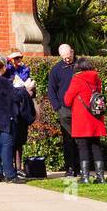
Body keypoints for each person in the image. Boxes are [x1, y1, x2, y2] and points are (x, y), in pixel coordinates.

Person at [64, 57, 107, 184]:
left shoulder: (77, 79)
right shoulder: (96, 78)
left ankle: (85, 177)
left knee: (83, 147)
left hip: (82, 119)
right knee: (96, 146)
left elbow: (67, 100)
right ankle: (100, 177)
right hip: (96, 117)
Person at [0, 56, 24, 183]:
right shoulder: (3, 81)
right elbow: (16, 97)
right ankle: (10, 174)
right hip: (5, 117)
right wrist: (24, 88)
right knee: (7, 145)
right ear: (3, 67)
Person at [47, 43, 79, 177]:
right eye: (64, 58)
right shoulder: (56, 69)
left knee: (81, 139)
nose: (67, 59)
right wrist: (57, 107)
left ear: (72, 52)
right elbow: (51, 90)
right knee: (68, 139)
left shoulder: (80, 65)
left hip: (80, 108)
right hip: (64, 109)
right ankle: (70, 168)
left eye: (69, 56)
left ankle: (82, 167)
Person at [7, 49, 37, 175]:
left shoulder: (25, 70)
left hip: (23, 108)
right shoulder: (7, 70)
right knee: (11, 139)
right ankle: (11, 167)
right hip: (11, 109)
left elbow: (30, 88)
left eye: (20, 58)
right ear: (10, 59)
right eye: (15, 58)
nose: (18, 61)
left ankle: (19, 167)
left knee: (20, 139)